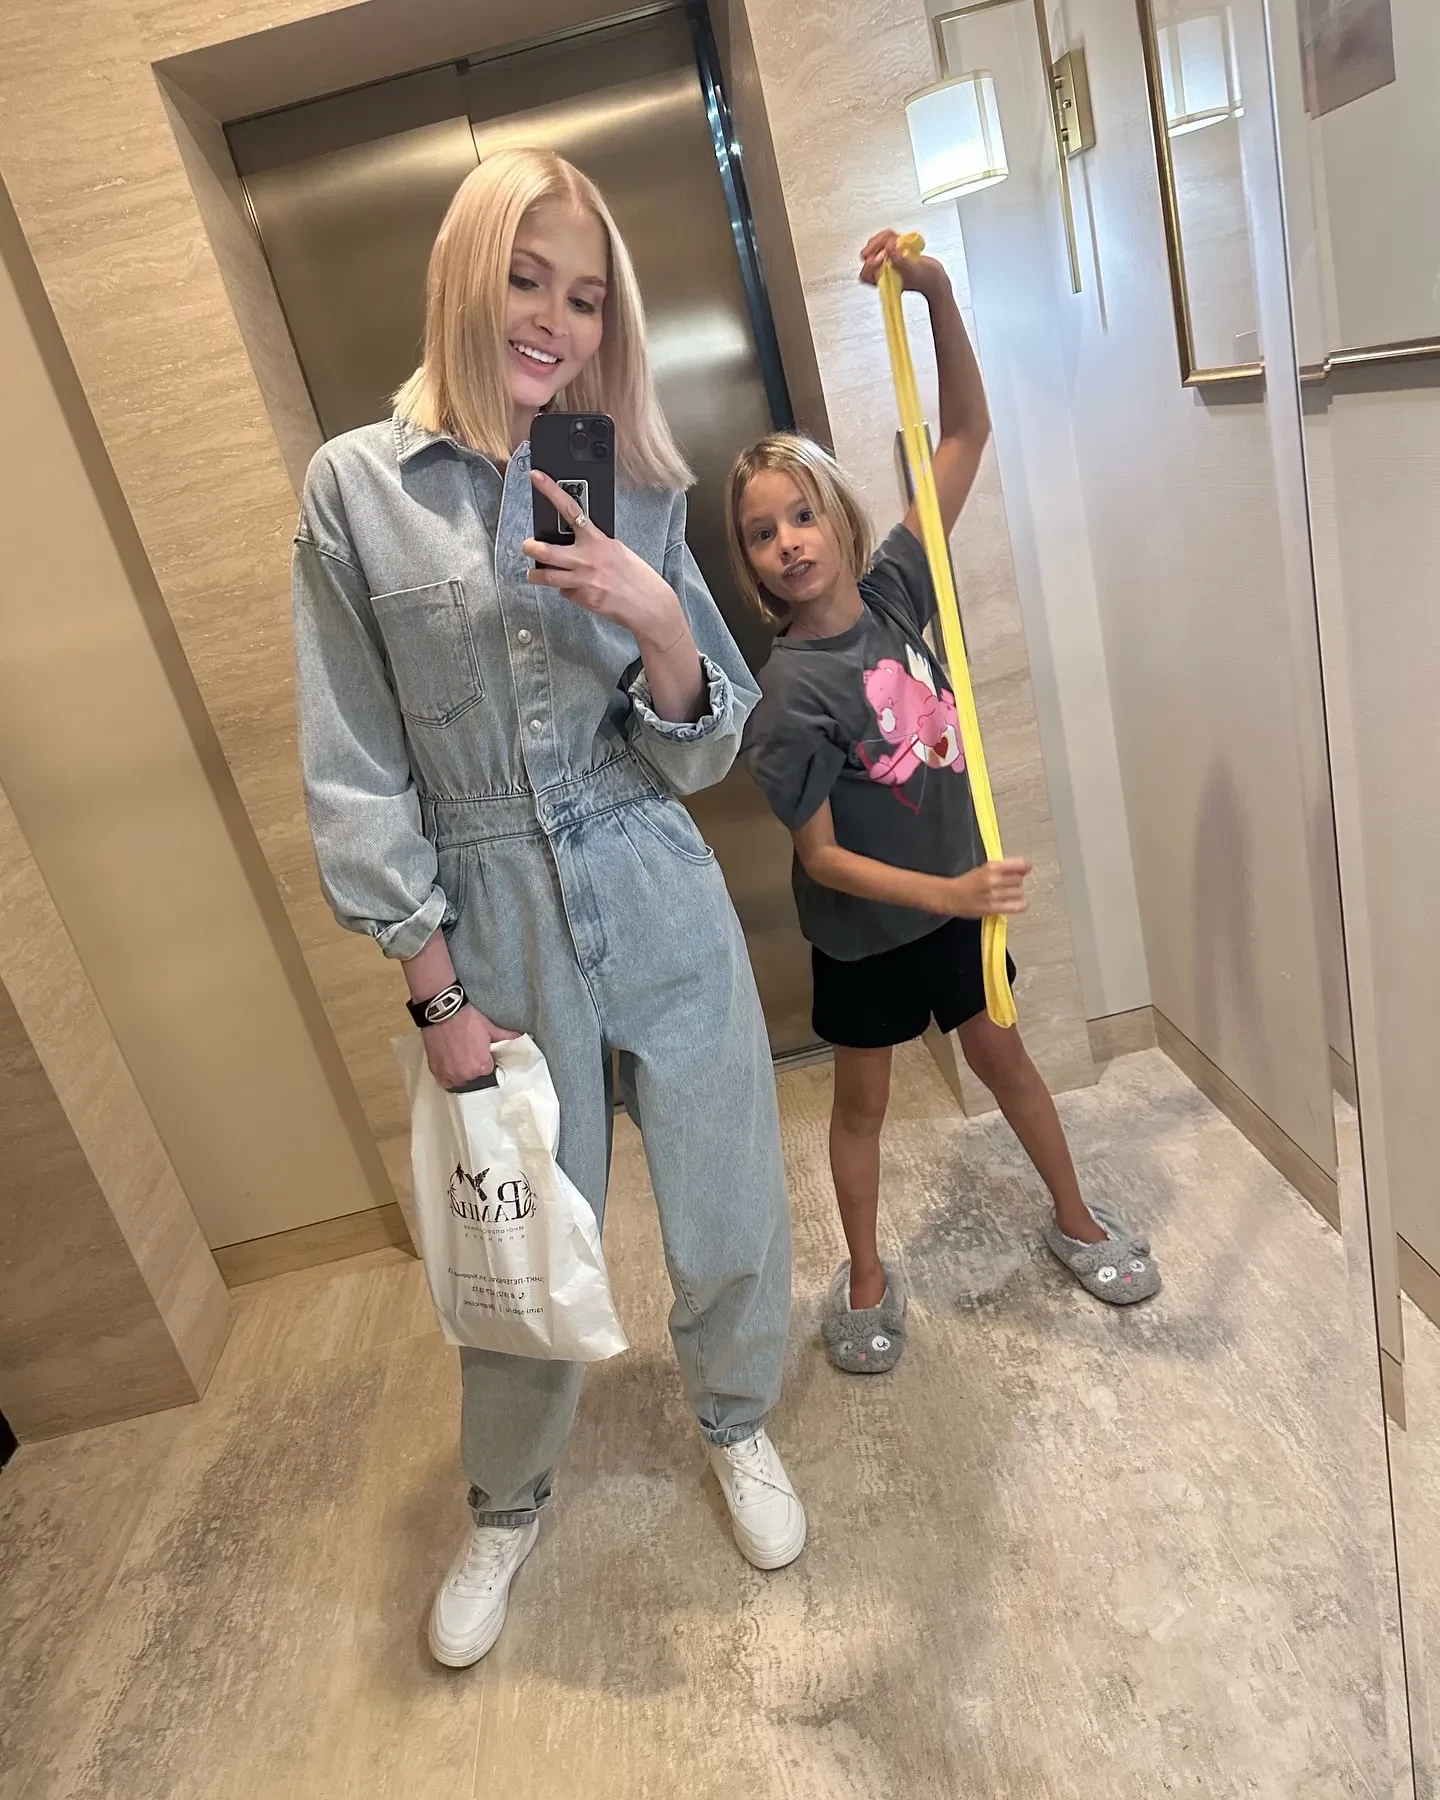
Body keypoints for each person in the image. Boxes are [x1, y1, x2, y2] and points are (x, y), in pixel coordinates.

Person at [291, 148, 805, 1670]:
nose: (554, 321)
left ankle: (736, 1419)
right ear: (465, 273)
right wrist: (435, 992)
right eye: (526, 279)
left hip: (651, 869)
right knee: (516, 1236)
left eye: (584, 298)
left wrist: (655, 614)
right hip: (491, 909)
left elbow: (702, 748)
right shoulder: (356, 491)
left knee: (727, 1193)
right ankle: (507, 1500)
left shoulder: (635, 479)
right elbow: (354, 769)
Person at [729, 230, 1161, 1377]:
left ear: (836, 515)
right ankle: (868, 1274)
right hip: (868, 936)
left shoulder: (896, 590)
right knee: (863, 1107)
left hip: (959, 914)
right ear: (751, 561)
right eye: (762, 534)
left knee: (1007, 1063)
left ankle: (1076, 1217)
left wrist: (935, 293)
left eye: (800, 515)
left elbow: (965, 429)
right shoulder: (787, 698)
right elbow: (821, 859)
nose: (787, 544)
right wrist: (951, 892)